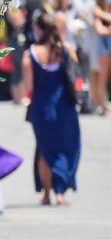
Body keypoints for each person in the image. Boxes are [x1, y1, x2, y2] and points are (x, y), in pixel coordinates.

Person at [22, 13, 80, 206]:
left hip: (41, 108)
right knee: (66, 147)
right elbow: (77, 73)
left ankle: (47, 194)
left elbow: (29, 87)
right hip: (65, 107)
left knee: (45, 151)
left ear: (38, 30)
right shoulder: (65, 49)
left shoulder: (30, 54)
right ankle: (61, 192)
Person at [80, 0, 111, 110]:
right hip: (95, 41)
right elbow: (97, 25)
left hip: (101, 40)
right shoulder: (92, 3)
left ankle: (100, 103)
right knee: (96, 72)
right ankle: (98, 103)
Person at [93, 0, 111, 116]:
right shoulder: (97, 12)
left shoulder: (100, 13)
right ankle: (102, 106)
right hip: (104, 47)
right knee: (103, 77)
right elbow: (100, 30)